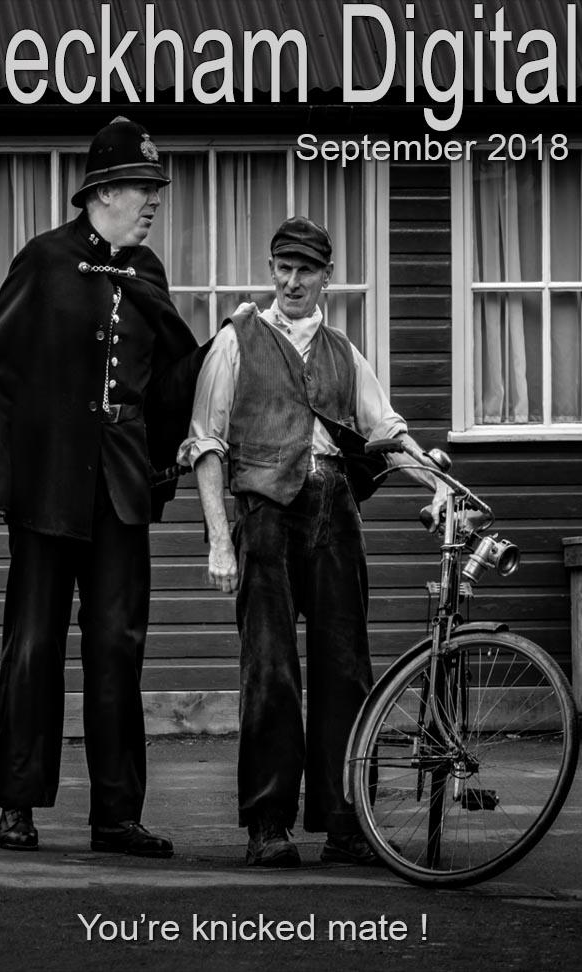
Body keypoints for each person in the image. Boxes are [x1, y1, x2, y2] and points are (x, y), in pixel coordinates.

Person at [0, 117, 210, 857]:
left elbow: (167, 381)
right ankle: (18, 804)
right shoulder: (44, 260)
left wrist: (221, 357)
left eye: (157, 189)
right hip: (46, 488)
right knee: (33, 644)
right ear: (103, 192)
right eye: (143, 188)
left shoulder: (147, 270)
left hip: (120, 490)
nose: (154, 201)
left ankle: (116, 817)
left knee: (117, 648)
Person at [177, 216, 447, 867]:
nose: (292, 281)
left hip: (333, 511)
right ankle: (267, 824)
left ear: (327, 276)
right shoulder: (236, 340)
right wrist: (219, 541)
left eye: (305, 270)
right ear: (272, 271)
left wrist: (436, 480)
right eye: (283, 268)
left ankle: (346, 823)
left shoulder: (342, 351)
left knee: (345, 671)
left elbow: (384, 430)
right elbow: (206, 443)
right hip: (264, 514)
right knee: (269, 671)